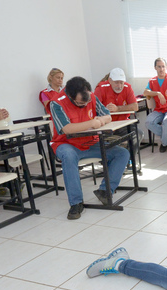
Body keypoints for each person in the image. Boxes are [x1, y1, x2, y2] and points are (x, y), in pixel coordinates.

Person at [50, 76, 129, 220]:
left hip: (90, 142)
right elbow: (67, 129)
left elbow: (108, 116)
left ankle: (105, 191)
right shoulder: (57, 103)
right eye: (80, 103)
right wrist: (92, 123)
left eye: (86, 102)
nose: (84, 105)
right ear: (70, 96)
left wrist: (101, 119)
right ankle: (76, 203)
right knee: (68, 157)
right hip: (67, 144)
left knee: (122, 153)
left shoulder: (91, 96)